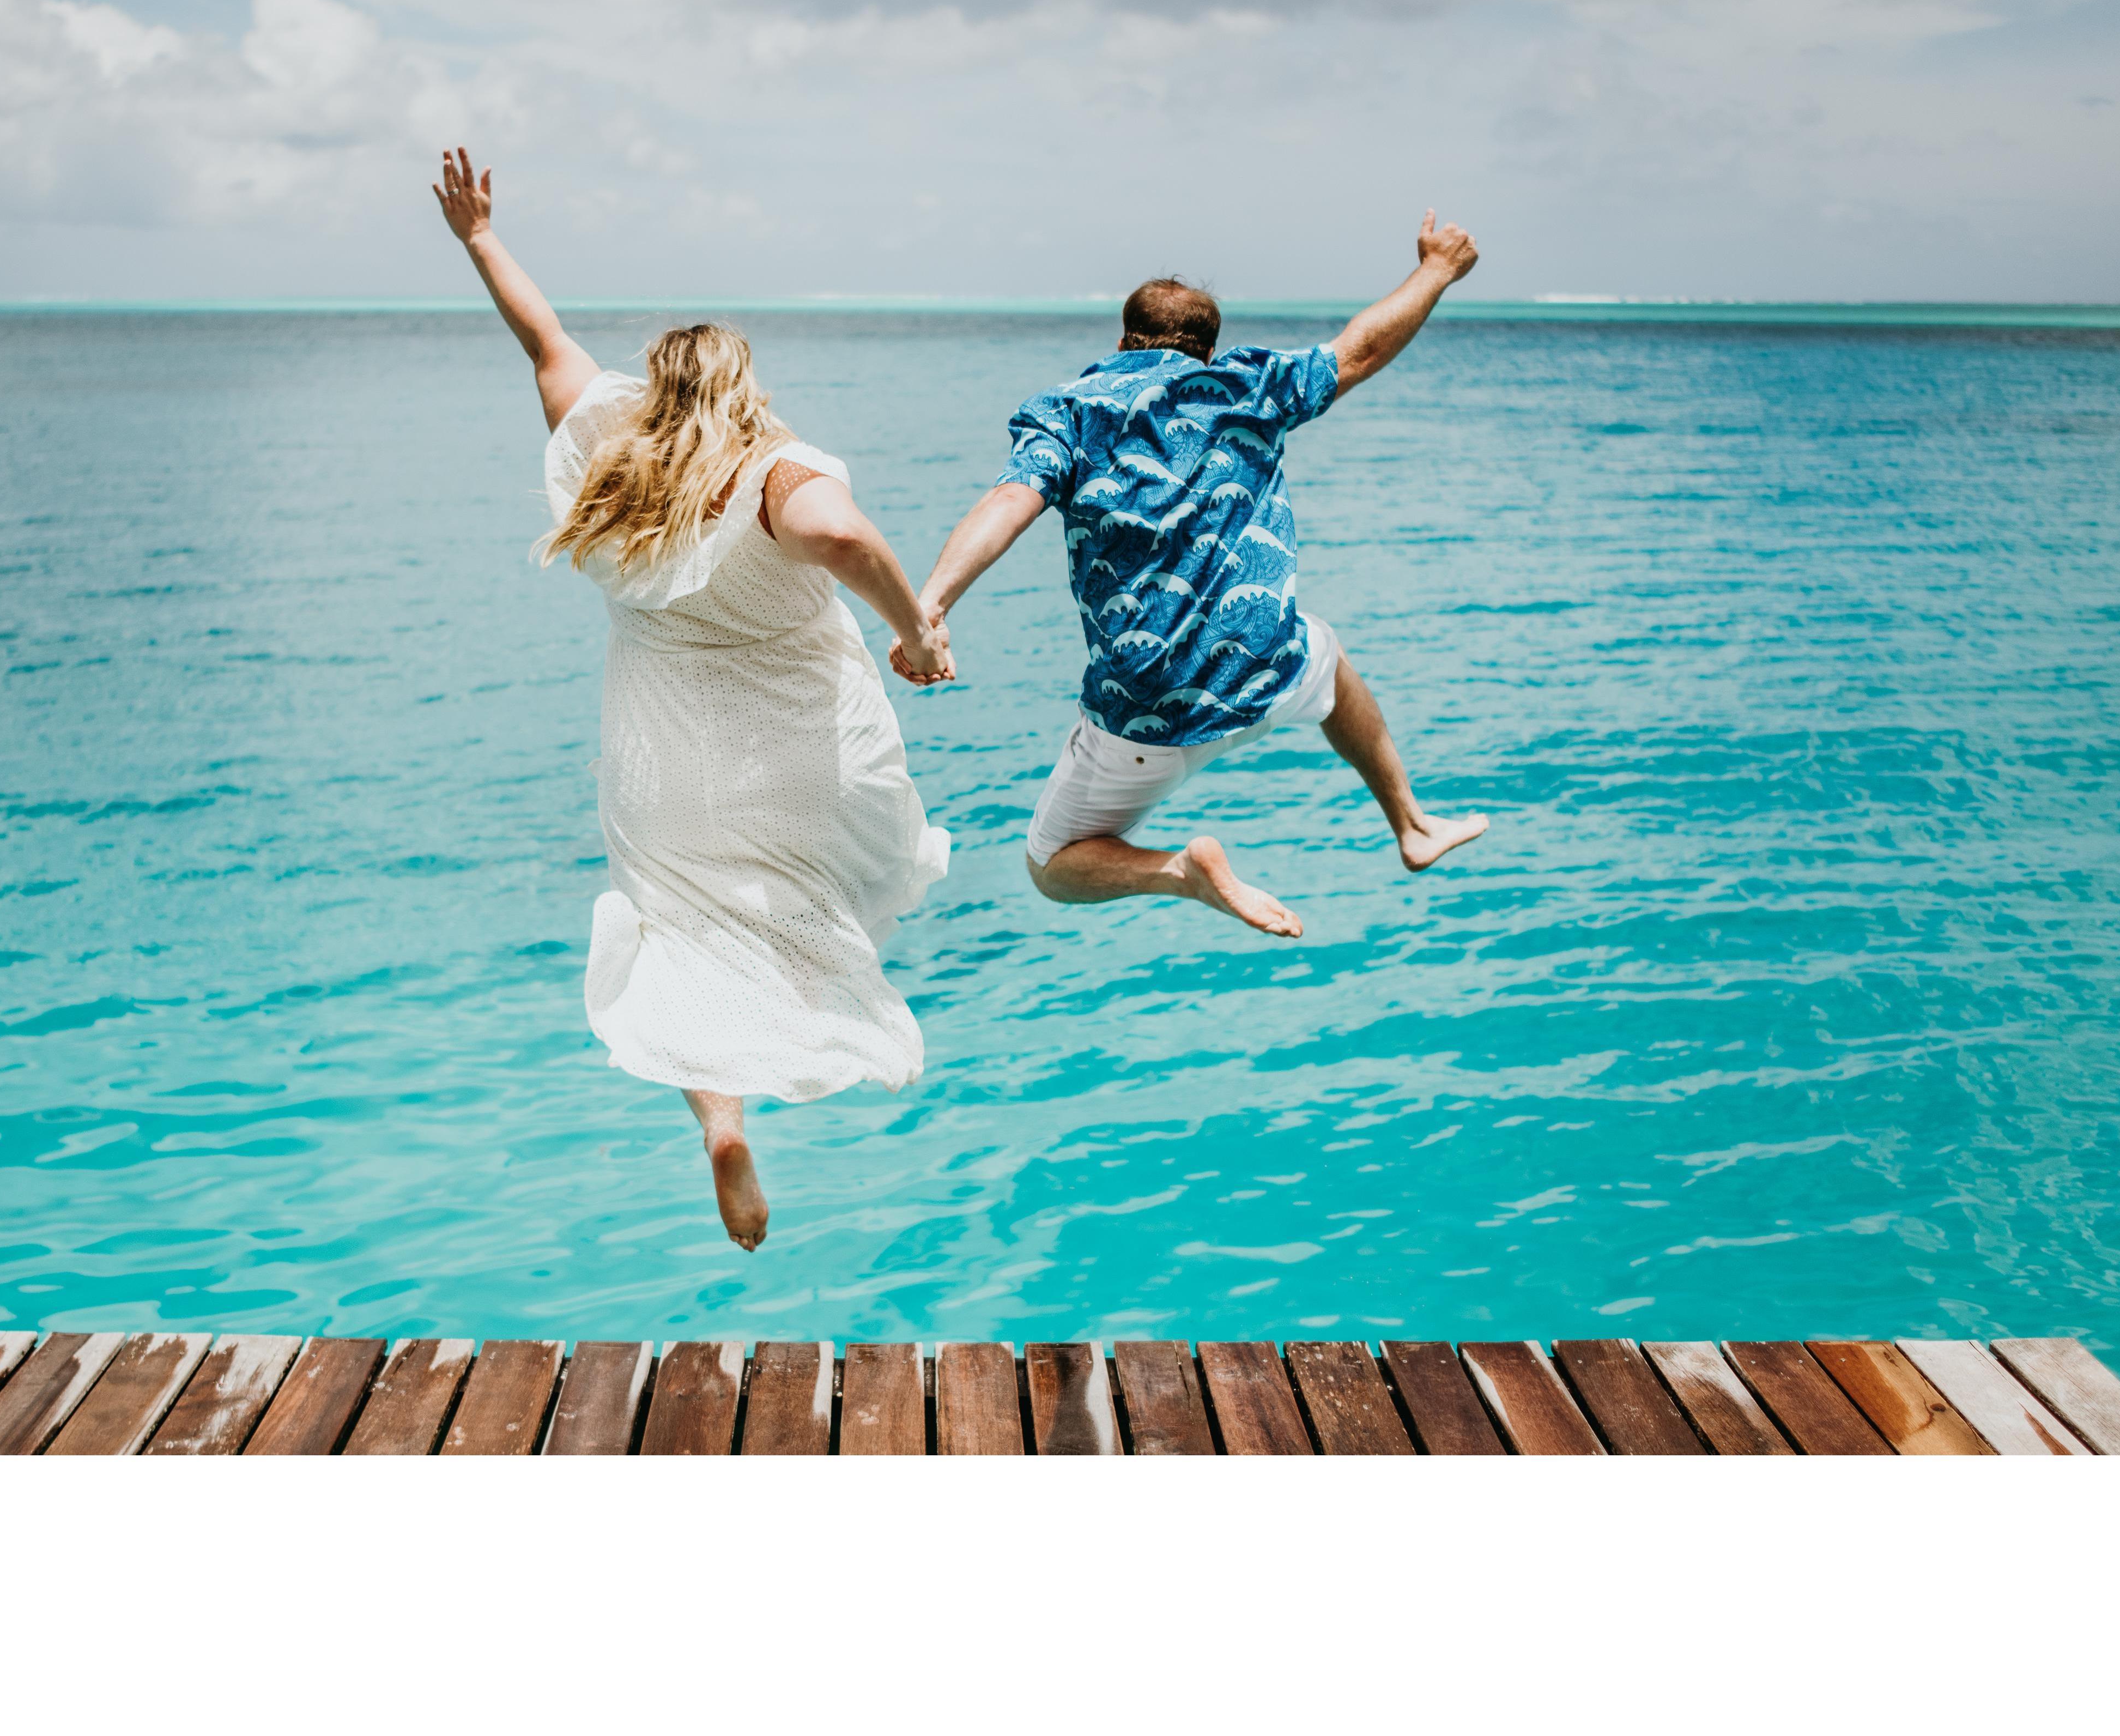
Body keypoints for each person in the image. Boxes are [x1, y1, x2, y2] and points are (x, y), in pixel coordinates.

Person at [433, 149, 953, 1250]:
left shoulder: (607, 460)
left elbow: (545, 341)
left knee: (678, 932)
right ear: (744, 387)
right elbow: (847, 538)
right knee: (822, 900)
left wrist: (479, 236)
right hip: (802, 752)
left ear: (659, 391)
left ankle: (722, 1127)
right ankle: (789, 1042)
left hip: (661, 759)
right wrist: (917, 630)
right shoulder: (775, 474)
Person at [900, 211, 1488, 942]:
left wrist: (930, 605)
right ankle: (1410, 823)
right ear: (1209, 348)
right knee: (1326, 657)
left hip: (1150, 713)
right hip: (1263, 668)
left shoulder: (1072, 414)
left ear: (1121, 342)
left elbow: (1007, 504)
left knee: (1052, 866)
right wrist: (1436, 270)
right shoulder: (1250, 385)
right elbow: (1361, 348)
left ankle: (1180, 873)